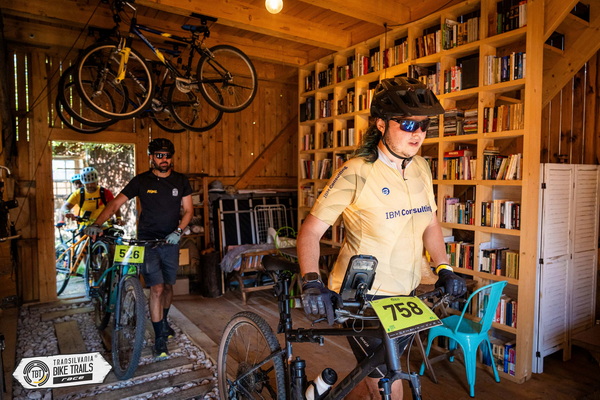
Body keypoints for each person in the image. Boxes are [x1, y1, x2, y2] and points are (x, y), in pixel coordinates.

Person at [296, 77, 467, 400]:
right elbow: (311, 231)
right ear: (381, 123)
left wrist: (444, 268)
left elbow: (430, 223)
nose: (418, 133)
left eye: (424, 125)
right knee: (390, 383)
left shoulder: (421, 167)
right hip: (362, 299)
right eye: (407, 124)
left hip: (406, 295)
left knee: (371, 375)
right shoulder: (356, 171)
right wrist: (311, 281)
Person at [85, 138, 193, 358]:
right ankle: (159, 338)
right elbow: (115, 203)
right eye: (159, 155)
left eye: (167, 155)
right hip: (147, 242)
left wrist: (179, 231)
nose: (164, 159)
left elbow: (189, 210)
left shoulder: (181, 180)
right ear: (151, 157)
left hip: (170, 242)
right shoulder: (141, 181)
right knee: (157, 288)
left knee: (168, 286)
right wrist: (97, 223)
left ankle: (163, 322)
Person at [59, 167, 124, 227]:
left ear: (97, 181)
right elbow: (65, 206)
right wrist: (67, 212)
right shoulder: (78, 193)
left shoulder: (105, 192)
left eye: (93, 183)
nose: (90, 185)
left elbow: (115, 206)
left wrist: (118, 218)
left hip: (104, 226)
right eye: (87, 184)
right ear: (83, 183)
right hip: (85, 227)